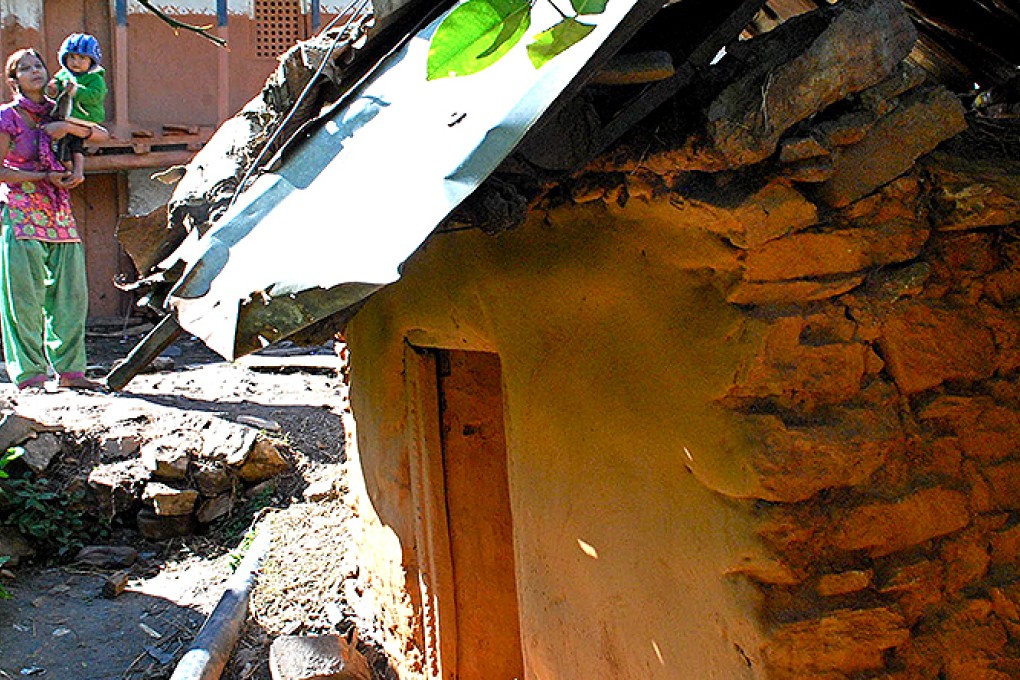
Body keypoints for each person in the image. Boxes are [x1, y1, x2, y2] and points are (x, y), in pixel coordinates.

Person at [0, 47, 109, 391]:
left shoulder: (60, 110)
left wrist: (74, 157)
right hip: (20, 209)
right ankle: (30, 374)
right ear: (13, 79)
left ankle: (71, 372)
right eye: (25, 68)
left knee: (71, 294)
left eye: (39, 65)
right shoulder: (8, 117)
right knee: (24, 295)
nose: (35, 71)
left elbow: (101, 135)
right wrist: (43, 177)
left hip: (58, 209)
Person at [47, 33, 107, 184]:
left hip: (84, 118)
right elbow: (57, 85)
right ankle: (74, 171)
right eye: (72, 57)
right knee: (73, 145)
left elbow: (94, 96)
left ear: (91, 61)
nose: (76, 62)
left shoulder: (95, 79)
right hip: (68, 117)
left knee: (68, 145)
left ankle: (70, 169)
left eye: (82, 58)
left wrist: (75, 90)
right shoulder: (64, 74)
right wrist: (53, 89)